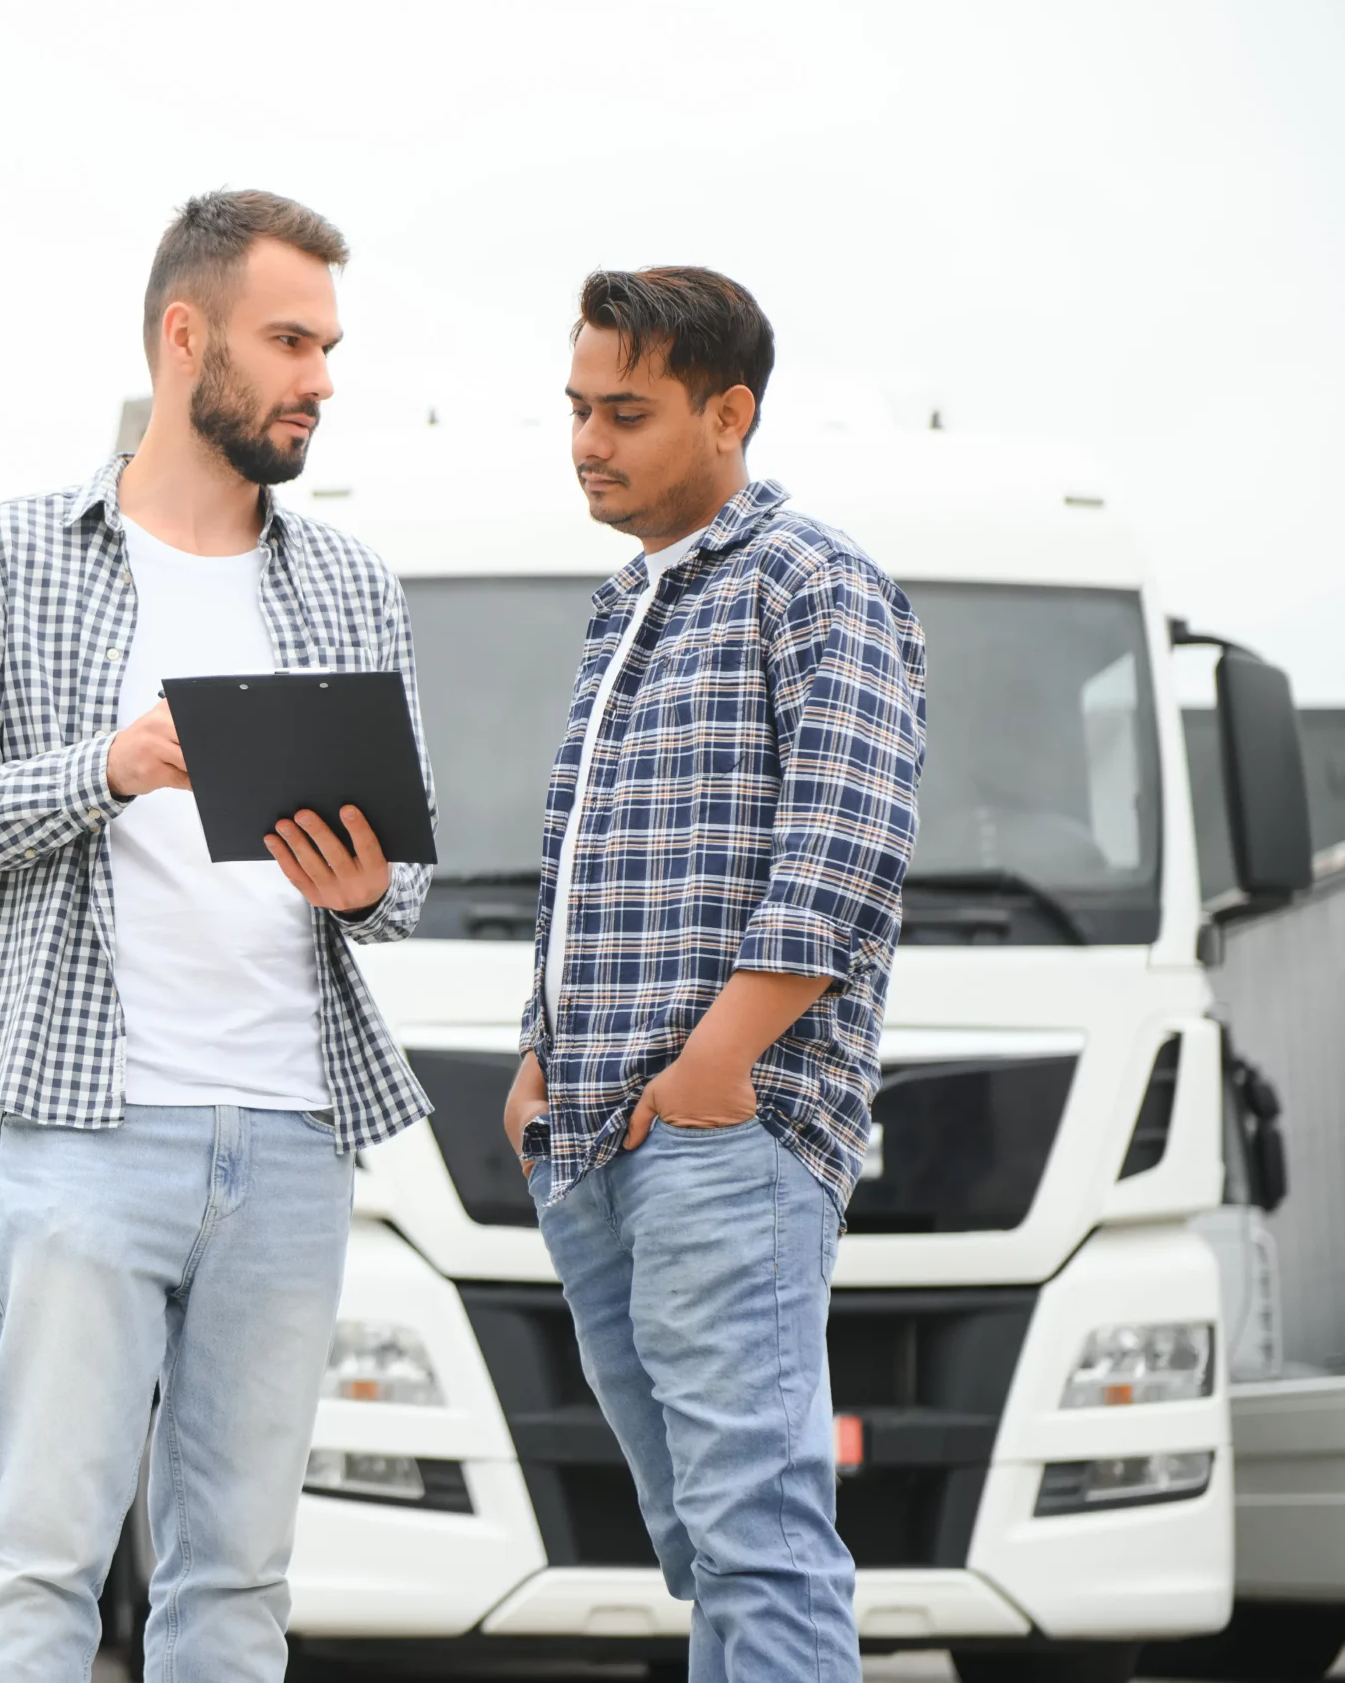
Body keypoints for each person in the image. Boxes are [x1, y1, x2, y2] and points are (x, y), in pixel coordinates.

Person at [0, 189, 433, 1682]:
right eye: (289, 340)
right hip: (83, 1129)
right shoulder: (11, 555)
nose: (320, 375)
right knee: (41, 1565)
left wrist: (358, 885)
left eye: (329, 345)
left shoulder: (348, 582)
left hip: (296, 1133)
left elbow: (408, 885)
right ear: (186, 337)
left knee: (237, 1582)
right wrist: (106, 767)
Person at [499, 267, 926, 1682]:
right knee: (700, 1538)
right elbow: (582, 855)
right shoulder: (626, 605)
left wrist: (715, 1066)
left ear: (729, 411)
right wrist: (538, 1055)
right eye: (577, 409)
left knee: (759, 1529)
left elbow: (848, 844)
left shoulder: (813, 580)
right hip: (595, 1134)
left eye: (626, 411)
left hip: (721, 1136)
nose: (587, 440)